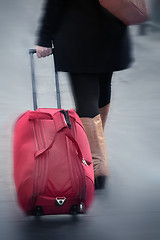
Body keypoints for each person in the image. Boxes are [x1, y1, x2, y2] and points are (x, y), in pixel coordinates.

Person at [36, 0, 132, 189]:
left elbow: (55, 4)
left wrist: (44, 37)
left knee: (85, 96)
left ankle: (96, 165)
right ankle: (97, 156)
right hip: (111, 31)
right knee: (103, 87)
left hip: (78, 33)